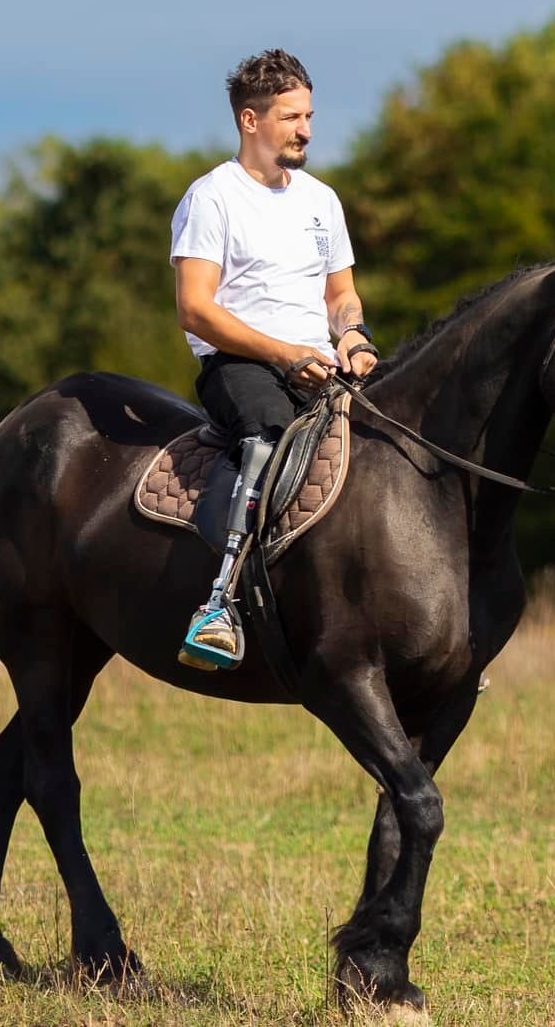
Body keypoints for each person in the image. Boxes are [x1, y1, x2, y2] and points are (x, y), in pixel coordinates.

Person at [169, 49, 378, 668]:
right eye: (291, 117)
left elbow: (340, 296)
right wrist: (284, 353)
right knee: (267, 442)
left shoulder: (322, 200)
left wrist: (355, 337)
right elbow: (195, 310)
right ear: (251, 122)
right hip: (242, 364)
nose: (306, 130)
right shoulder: (212, 199)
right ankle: (220, 604)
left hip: (323, 364)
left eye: (309, 115)